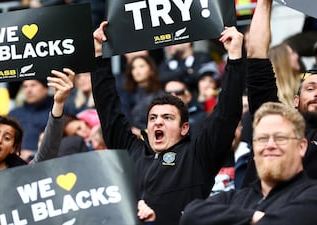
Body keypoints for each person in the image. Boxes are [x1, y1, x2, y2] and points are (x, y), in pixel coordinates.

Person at [93, 22, 245, 225]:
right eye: (153, 118)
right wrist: (98, 56)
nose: (158, 123)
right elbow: (108, 110)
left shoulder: (198, 155)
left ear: (185, 128)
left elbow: (226, 114)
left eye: (167, 118)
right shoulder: (132, 151)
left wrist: (234, 58)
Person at [179, 102, 317, 225]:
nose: (270, 145)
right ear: (254, 149)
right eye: (262, 138)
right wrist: (254, 216)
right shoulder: (235, 198)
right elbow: (191, 215)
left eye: (280, 138)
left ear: (302, 146)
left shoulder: (312, 194)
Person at [244, 0, 317, 184]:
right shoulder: (273, 120)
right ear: (295, 100)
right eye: (310, 88)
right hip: (252, 206)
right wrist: (263, 3)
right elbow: (257, 55)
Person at [8, 79, 54, 157]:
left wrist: (33, 154)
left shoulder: (56, 111)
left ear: (45, 88)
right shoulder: (13, 114)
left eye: (33, 85)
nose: (28, 90)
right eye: (25, 86)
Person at [122, 55, 164, 134]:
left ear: (151, 70)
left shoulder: (160, 95)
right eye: (133, 68)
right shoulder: (126, 94)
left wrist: (142, 133)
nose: (137, 71)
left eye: (141, 66)